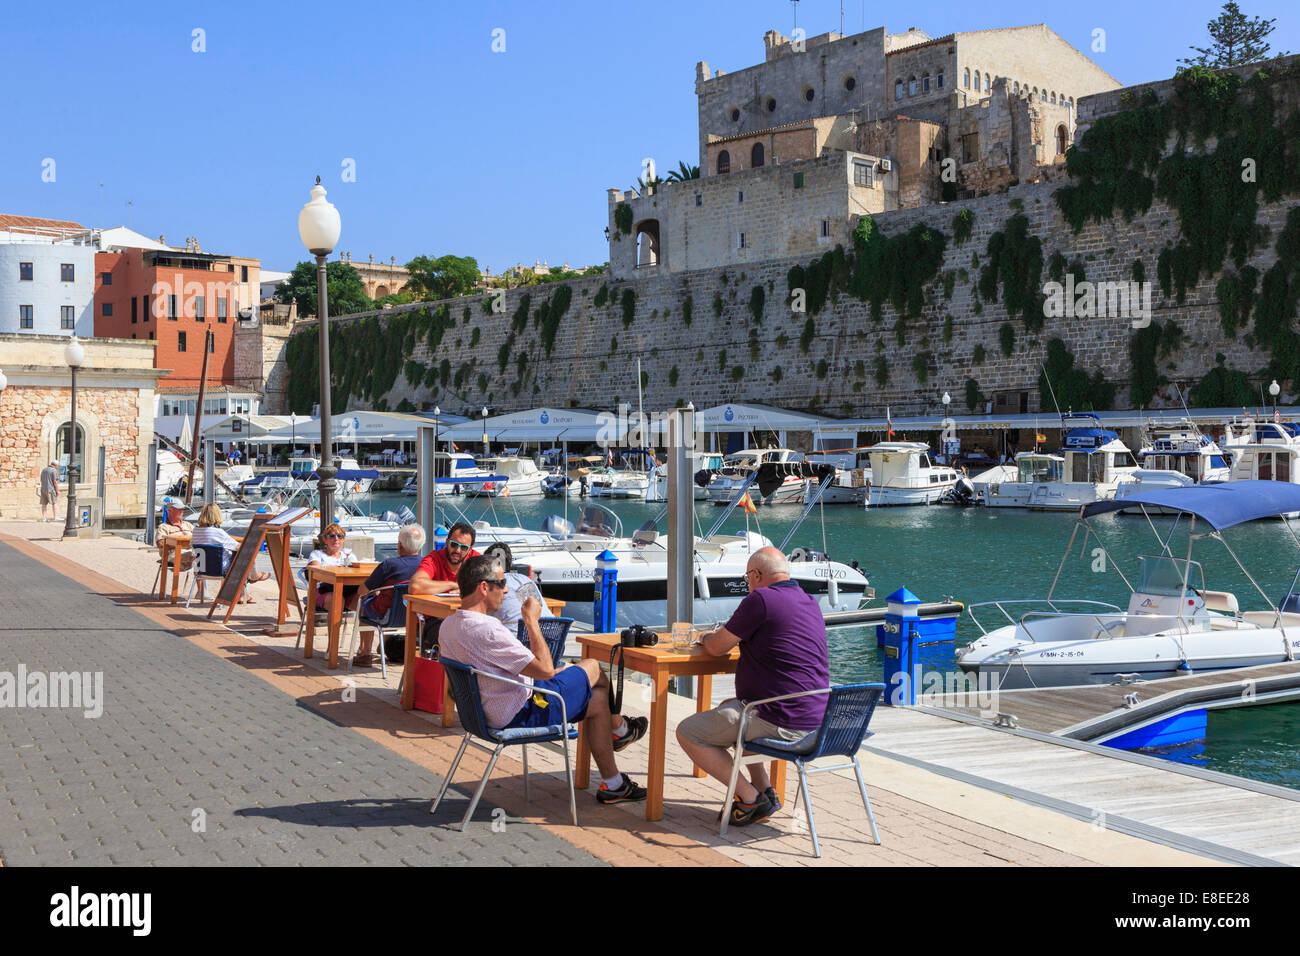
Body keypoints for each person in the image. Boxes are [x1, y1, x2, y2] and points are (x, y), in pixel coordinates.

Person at [437, 555, 648, 804]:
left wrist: (547, 673)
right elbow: (546, 670)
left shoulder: (449, 625)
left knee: (599, 700)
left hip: (483, 713)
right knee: (593, 668)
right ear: (484, 587)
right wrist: (532, 621)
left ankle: (614, 784)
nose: (506, 590)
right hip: (520, 711)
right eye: (502, 582)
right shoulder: (489, 630)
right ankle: (620, 728)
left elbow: (511, 670)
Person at [675, 546, 829, 827]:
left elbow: (718, 648)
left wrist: (706, 636)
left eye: (747, 578)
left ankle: (749, 798)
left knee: (689, 732)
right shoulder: (809, 601)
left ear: (756, 575)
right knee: (731, 710)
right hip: (815, 718)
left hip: (780, 719)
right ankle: (765, 791)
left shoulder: (761, 600)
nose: (748, 584)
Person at [352, 524, 425, 667]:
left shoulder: (389, 564)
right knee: (391, 603)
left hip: (387, 615)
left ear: (400, 545)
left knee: (365, 604)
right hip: (417, 616)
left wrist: (376, 592)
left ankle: (365, 653)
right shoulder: (427, 564)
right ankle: (385, 644)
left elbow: (362, 590)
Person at [190, 503, 270, 602]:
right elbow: (238, 546)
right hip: (220, 569)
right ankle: (253, 576)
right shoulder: (218, 532)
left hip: (201, 568)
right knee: (243, 555)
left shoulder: (195, 531)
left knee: (238, 557)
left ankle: (245, 594)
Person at [480, 542, 553, 629]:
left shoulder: (491, 584)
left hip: (517, 639)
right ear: (510, 564)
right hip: (553, 634)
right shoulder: (525, 579)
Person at [409, 521, 479, 596]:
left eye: (464, 547)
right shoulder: (433, 559)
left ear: (470, 549)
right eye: (454, 544)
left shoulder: (476, 560)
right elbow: (415, 586)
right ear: (446, 542)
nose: (458, 550)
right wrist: (452, 585)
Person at [306, 523, 360, 614]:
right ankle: (334, 628)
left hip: (346, 590)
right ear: (325, 539)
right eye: (331, 536)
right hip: (322, 591)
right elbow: (316, 572)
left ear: (343, 540)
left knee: (366, 599)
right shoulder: (317, 554)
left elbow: (357, 573)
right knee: (337, 599)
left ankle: (366, 627)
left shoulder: (350, 556)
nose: (336, 539)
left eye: (340, 536)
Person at [156, 497, 195, 568]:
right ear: (170, 510)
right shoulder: (164, 527)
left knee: (204, 557)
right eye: (179, 509)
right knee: (199, 558)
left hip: (190, 554)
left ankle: (200, 578)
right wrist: (181, 545)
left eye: (182, 509)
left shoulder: (188, 525)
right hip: (173, 556)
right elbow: (160, 544)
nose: (182, 511)